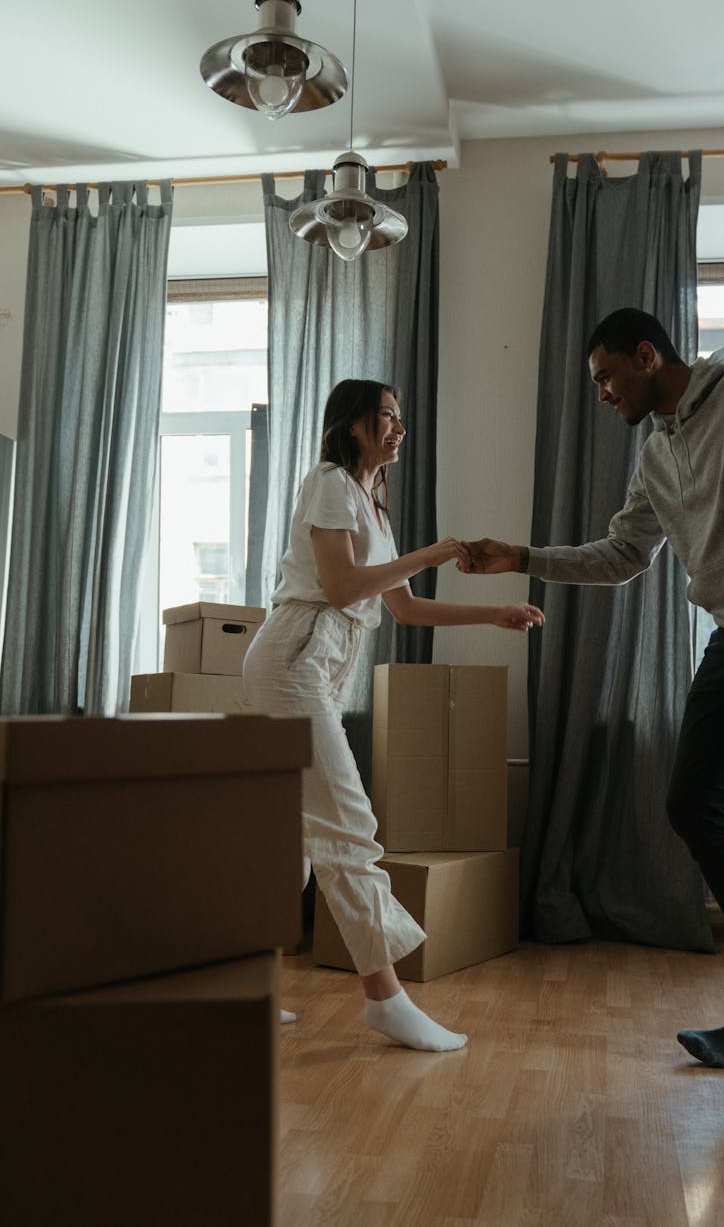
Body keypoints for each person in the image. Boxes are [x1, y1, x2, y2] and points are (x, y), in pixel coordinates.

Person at [458, 306, 724, 1068]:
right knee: (690, 801)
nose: (603, 393)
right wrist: (518, 554)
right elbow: (621, 555)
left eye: (607, 377)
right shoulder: (656, 455)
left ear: (647, 355)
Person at [241, 378, 544, 1053]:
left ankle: (248, 991)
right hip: (294, 659)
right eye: (387, 417)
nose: (399, 428)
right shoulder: (328, 483)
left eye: (400, 419)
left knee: (290, 837)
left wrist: (491, 614)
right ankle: (385, 998)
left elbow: (403, 608)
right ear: (353, 425)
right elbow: (343, 586)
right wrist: (433, 554)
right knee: (348, 825)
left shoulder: (371, 507)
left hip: (317, 662)